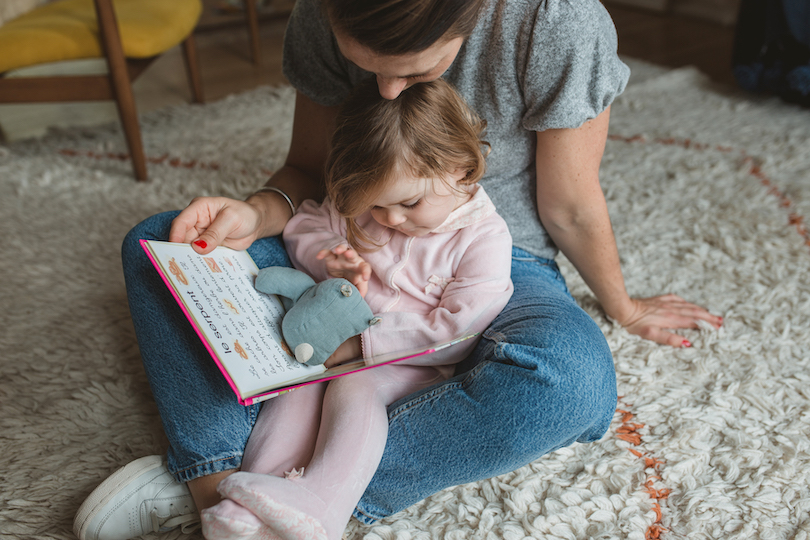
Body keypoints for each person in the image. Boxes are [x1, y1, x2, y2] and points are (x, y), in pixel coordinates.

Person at [73, 0, 724, 539]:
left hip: (496, 271)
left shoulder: (554, 20)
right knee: (162, 242)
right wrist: (253, 213)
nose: (385, 92)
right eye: (367, 68)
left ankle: (264, 495)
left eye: (415, 70)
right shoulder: (323, 11)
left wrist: (624, 303)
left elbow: (570, 205)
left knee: (571, 381)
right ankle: (222, 492)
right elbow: (307, 175)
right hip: (348, 238)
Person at [200, 76, 513, 540]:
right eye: (376, 205)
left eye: (408, 203)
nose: (389, 219)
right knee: (298, 389)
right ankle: (259, 498)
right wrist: (330, 253)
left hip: (412, 363)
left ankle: (321, 504)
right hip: (331, 343)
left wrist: (363, 343)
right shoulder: (372, 203)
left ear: (463, 169)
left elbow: (461, 326)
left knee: (352, 387)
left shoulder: (484, 238)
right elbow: (305, 221)